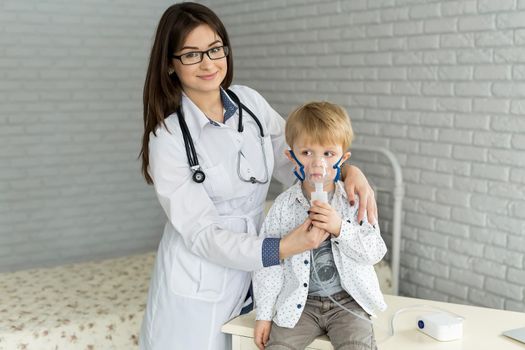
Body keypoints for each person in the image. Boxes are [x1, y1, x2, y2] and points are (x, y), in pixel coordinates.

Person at [138, 3, 378, 350]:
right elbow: (202, 234)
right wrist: (281, 248)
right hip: (203, 274)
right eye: (191, 54)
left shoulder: (249, 103)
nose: (208, 63)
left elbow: (301, 162)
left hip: (262, 265)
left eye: (215, 48)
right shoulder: (168, 137)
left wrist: (350, 171)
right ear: (170, 64)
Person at [253, 102, 387, 350]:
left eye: (328, 154)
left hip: (348, 303)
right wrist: (263, 315)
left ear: (343, 158)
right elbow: (269, 265)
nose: (317, 164)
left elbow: (375, 251)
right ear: (291, 156)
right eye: (306, 153)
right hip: (299, 305)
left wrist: (340, 228)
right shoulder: (283, 207)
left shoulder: (352, 202)